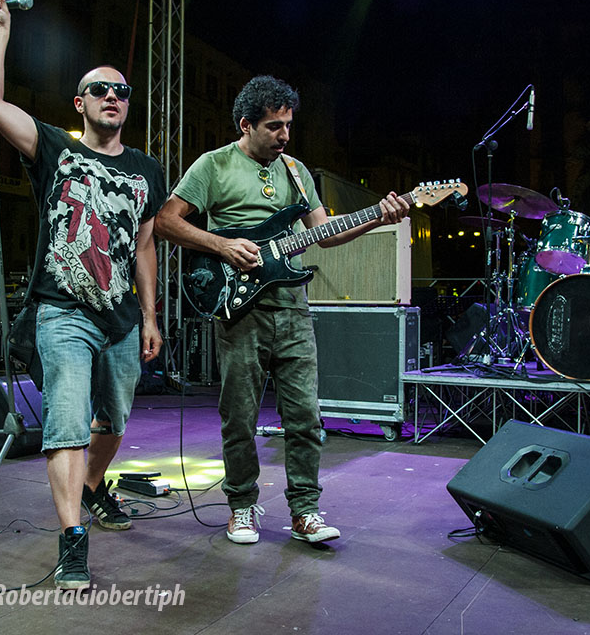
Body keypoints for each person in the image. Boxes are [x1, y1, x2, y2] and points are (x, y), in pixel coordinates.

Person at [155, 75, 410, 545]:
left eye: (288, 125)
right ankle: (242, 507)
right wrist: (222, 244)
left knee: (305, 416)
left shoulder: (296, 171)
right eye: (274, 127)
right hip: (238, 308)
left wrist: (378, 214)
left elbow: (324, 233)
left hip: (292, 307)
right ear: (245, 125)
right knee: (239, 415)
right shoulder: (213, 166)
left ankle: (305, 511)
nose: (285, 136)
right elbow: (166, 222)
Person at [0, 0, 166, 588]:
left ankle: (91, 487)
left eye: (122, 92)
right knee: (66, 422)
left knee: (114, 420)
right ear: (79, 102)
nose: (114, 97)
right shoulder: (55, 147)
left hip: (122, 316)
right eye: (101, 90)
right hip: (63, 309)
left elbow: (144, 245)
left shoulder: (146, 168)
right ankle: (72, 536)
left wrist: (152, 317)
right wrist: (1, 32)